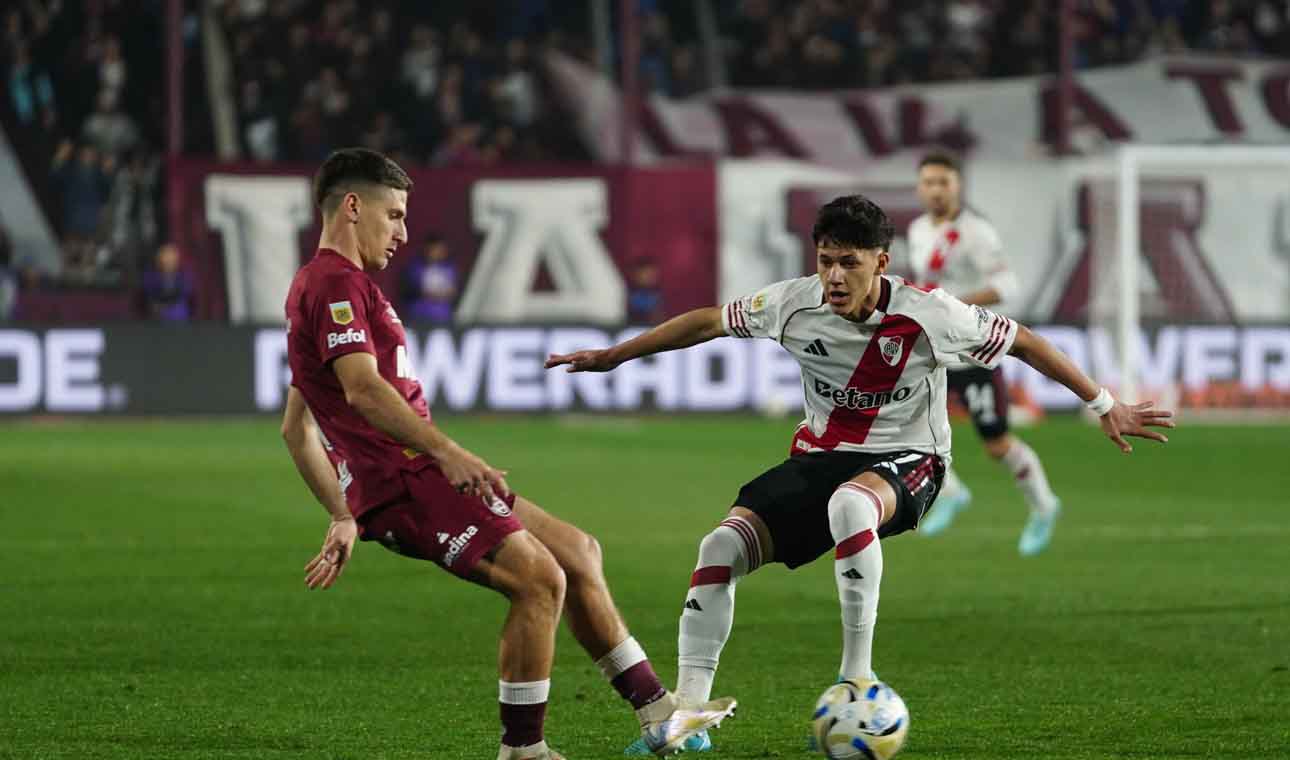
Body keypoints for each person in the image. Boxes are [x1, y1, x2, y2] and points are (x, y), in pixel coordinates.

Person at [545, 195, 1173, 753]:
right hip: (820, 460)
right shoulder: (793, 303)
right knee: (719, 548)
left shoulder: (933, 314)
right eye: (825, 260)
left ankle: (857, 681)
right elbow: (709, 319)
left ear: (882, 260)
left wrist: (1103, 405)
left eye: (849, 261)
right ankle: (687, 716)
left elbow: (1027, 343)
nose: (834, 276)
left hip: (913, 461)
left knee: (851, 505)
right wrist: (613, 356)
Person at [280, 148, 735, 760]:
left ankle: (660, 714)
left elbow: (295, 426)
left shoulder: (337, 288)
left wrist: (341, 514)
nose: (403, 233)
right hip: (407, 478)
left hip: (411, 472)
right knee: (538, 580)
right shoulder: (332, 283)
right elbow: (362, 391)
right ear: (353, 207)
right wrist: (445, 452)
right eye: (395, 215)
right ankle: (523, 750)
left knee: (576, 551)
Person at [906, 150, 1062, 554]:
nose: (936, 190)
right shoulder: (918, 229)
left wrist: (955, 303)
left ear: (958, 186)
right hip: (937, 349)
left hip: (975, 351)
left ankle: (1044, 506)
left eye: (944, 182)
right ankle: (951, 493)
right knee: (911, 426)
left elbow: (1007, 284)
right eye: (929, 182)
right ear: (919, 187)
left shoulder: (976, 232)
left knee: (996, 443)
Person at [400, 232, 457, 323]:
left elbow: (452, 291)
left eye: (440, 250)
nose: (437, 253)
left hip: (443, 317)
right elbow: (414, 289)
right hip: (418, 316)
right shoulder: (415, 267)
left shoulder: (449, 268)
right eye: (434, 249)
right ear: (427, 249)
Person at [141, 243, 192, 321]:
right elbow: (148, 292)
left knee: (179, 309)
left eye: (171, 258)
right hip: (157, 311)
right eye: (165, 257)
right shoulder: (150, 275)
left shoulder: (183, 275)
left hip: (177, 311)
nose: (168, 260)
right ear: (159, 259)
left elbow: (185, 291)